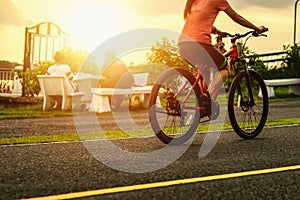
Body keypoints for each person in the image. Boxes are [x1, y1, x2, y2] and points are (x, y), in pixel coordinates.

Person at [178, 0, 266, 103]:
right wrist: (256, 28)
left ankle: (203, 106)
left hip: (183, 45)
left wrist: (216, 31)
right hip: (200, 45)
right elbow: (238, 18)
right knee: (224, 67)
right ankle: (208, 95)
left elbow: (198, 22)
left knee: (205, 69)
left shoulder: (194, 1)